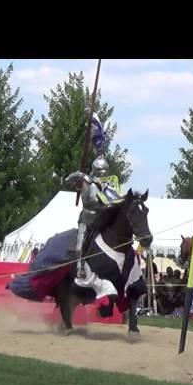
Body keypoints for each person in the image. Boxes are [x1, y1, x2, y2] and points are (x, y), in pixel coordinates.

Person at [63, 113, 120, 282]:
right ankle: (80, 267)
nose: (103, 174)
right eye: (101, 172)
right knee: (81, 243)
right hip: (87, 217)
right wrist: (76, 178)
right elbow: (67, 181)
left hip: (103, 217)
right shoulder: (85, 179)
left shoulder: (109, 182)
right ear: (95, 170)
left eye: (105, 172)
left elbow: (113, 198)